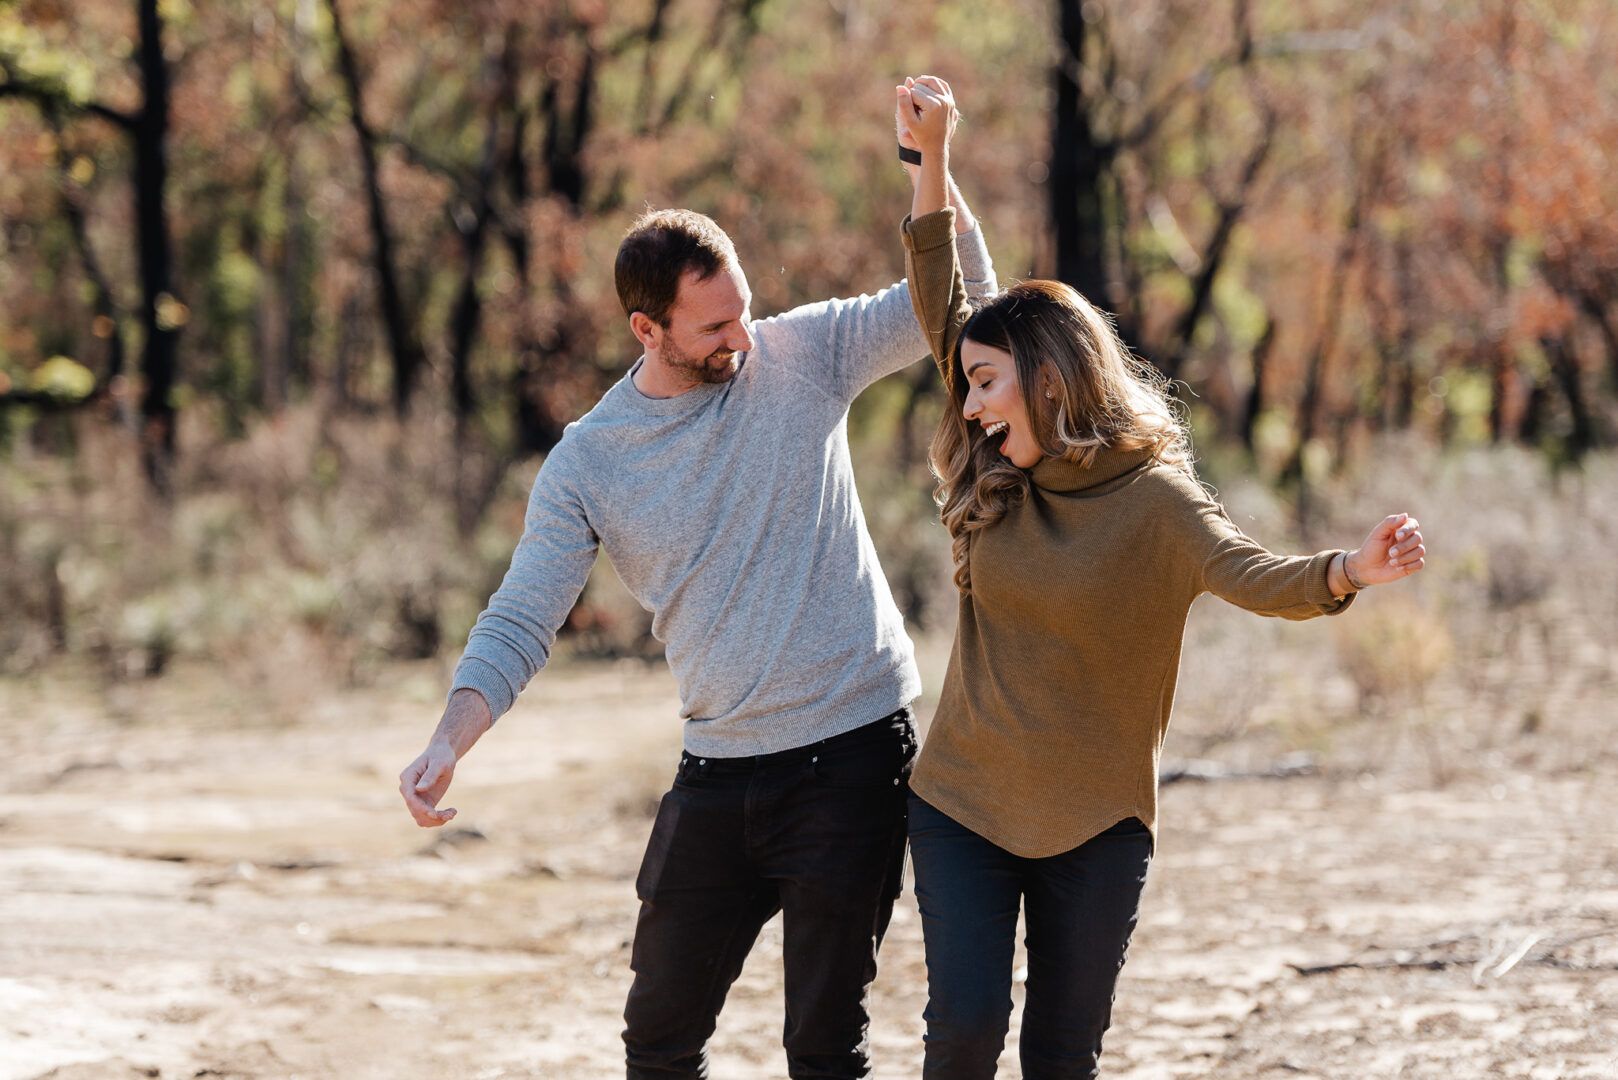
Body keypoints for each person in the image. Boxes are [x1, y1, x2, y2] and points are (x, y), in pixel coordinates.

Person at [397, 87, 998, 1079]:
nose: (742, 338)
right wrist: (447, 740)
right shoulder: (590, 462)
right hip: (718, 770)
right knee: (659, 1042)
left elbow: (962, 303)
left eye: (745, 310)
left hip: (853, 755)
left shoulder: (803, 356)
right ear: (648, 329)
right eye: (715, 325)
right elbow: (520, 619)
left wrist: (929, 161)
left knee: (823, 1049)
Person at [895, 78, 1428, 1078]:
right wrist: (932, 160)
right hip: (963, 805)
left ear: (1049, 381)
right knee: (963, 1033)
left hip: (1097, 823)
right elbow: (943, 301)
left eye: (986, 382)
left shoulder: (1155, 502)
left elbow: (1250, 572)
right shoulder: (992, 471)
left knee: (1062, 1056)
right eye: (965, 384)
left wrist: (1349, 570)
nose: (967, 406)